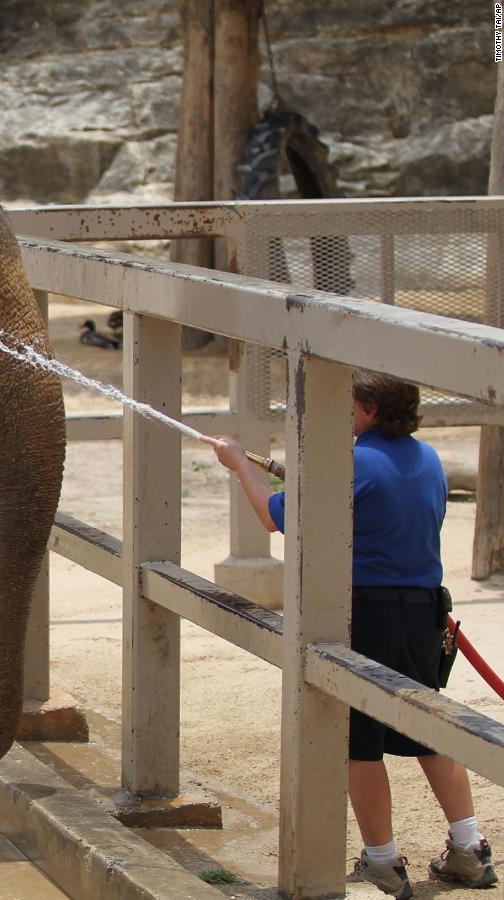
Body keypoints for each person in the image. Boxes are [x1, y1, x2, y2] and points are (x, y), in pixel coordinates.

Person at [206, 371, 496, 898]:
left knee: (358, 743)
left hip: (369, 613)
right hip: (423, 612)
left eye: (348, 404)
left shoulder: (356, 462)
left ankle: (383, 861)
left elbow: (277, 518)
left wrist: (240, 465)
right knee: (430, 731)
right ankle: (470, 849)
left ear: (368, 409)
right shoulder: (428, 458)